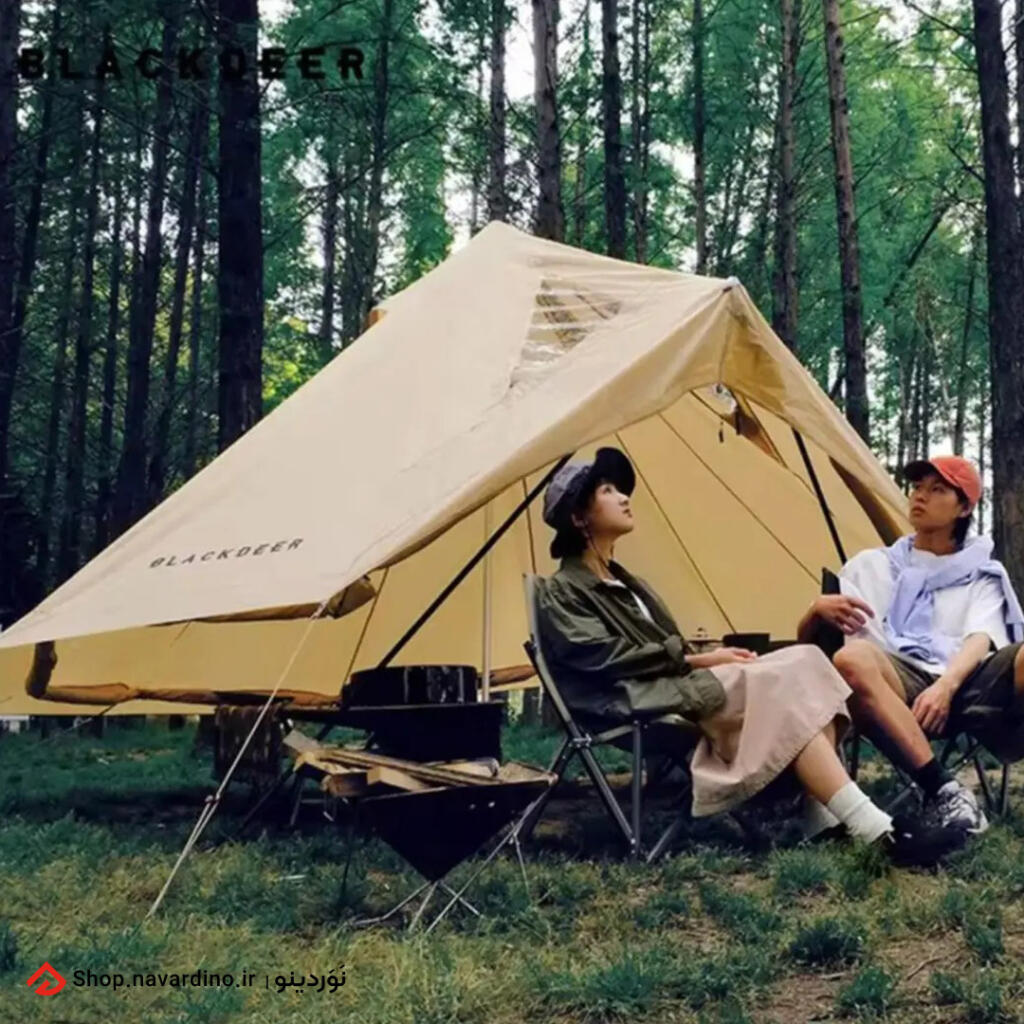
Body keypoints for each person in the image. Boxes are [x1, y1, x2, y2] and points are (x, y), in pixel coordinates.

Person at [535, 446, 967, 865]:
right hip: (635, 698)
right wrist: (696, 661)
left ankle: (821, 815)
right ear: (579, 517)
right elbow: (599, 656)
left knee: (808, 660)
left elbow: (663, 650)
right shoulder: (563, 589)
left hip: (673, 682)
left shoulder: (629, 584)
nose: (624, 497)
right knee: (782, 687)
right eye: (607, 491)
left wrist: (708, 655)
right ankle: (874, 829)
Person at [797, 455, 1024, 834]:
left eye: (937, 490)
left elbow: (980, 638)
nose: (920, 496)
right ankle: (945, 791)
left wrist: (945, 687)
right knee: (852, 657)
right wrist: (813, 612)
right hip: (892, 684)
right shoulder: (870, 566)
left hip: (967, 684)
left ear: (964, 508)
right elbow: (814, 654)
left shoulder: (982, 572)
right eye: (918, 487)